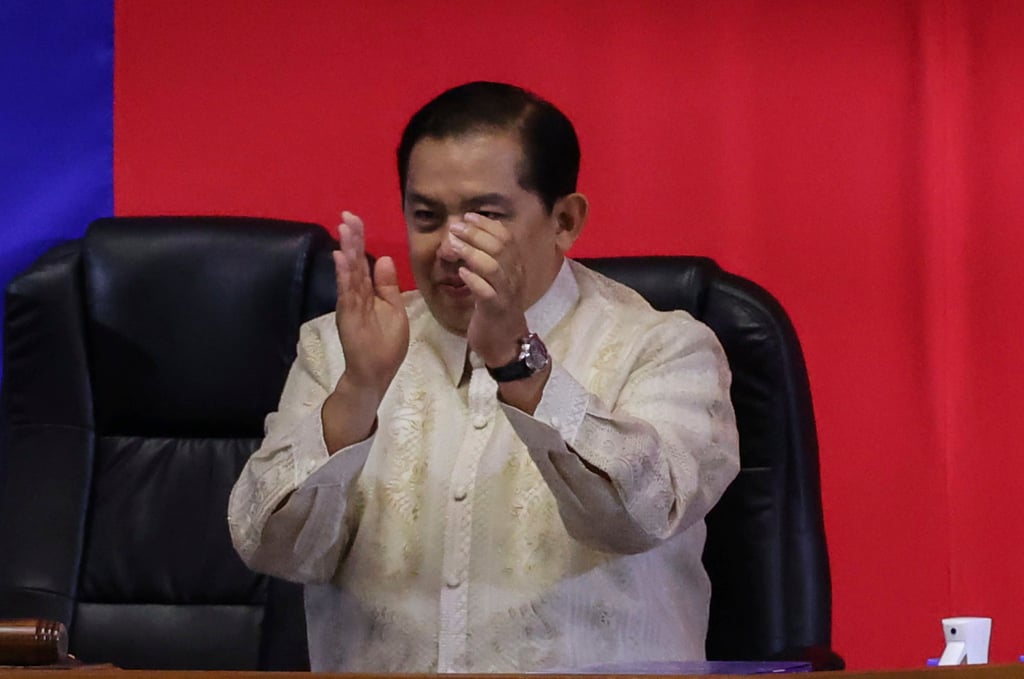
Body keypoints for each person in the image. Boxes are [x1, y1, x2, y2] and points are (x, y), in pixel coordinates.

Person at [228, 81, 739, 673]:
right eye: (426, 216)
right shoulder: (341, 347)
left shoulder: (665, 348)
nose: (449, 246)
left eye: (484, 216)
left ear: (564, 220)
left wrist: (517, 363)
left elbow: (641, 515)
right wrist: (358, 392)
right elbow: (270, 548)